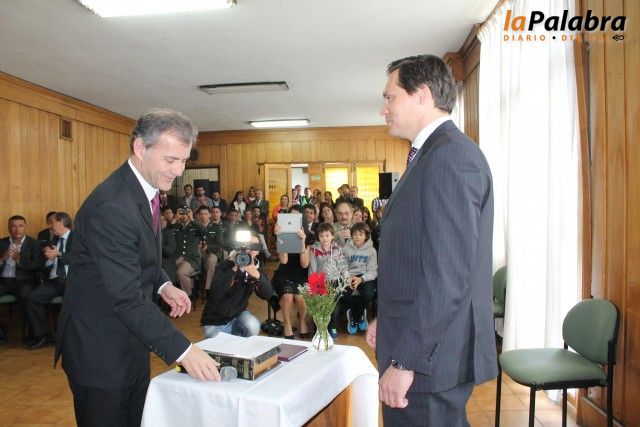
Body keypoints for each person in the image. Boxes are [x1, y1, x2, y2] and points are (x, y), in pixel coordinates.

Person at [56, 109, 221, 427]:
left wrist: (163, 284)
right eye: (170, 159)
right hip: (100, 352)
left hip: (131, 341)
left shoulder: (144, 190)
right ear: (140, 148)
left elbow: (140, 256)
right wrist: (185, 351)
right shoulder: (112, 206)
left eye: (183, 160)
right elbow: (125, 295)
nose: (178, 170)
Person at [366, 55, 496, 426]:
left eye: (390, 97)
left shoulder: (449, 157)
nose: (384, 109)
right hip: (420, 340)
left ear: (421, 94)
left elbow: (448, 277)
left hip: (428, 358)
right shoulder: (432, 154)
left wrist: (406, 360)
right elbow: (417, 257)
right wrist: (388, 319)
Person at [201, 233, 273, 338]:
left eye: (255, 246)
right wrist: (234, 268)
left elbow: (268, 294)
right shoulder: (226, 264)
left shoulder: (256, 269)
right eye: (248, 244)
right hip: (215, 321)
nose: (250, 249)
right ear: (241, 246)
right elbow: (215, 293)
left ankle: (237, 341)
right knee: (218, 346)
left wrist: (257, 276)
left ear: (258, 250)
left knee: (253, 325)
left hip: (237, 315)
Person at [25, 212, 73, 350]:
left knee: (76, 303)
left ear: (62, 222)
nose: (50, 226)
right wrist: (49, 259)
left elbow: (81, 258)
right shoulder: (53, 240)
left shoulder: (78, 238)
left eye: (52, 223)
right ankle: (45, 336)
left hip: (71, 281)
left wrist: (59, 254)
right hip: (54, 281)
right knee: (32, 299)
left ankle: (73, 337)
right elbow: (43, 265)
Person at [0, 215, 42, 343]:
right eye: (13, 226)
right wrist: (2, 258)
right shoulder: (1, 243)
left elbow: (36, 266)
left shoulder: (34, 244)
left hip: (24, 281)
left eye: (20, 226)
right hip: (3, 281)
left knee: (27, 297)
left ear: (25, 227)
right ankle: (1, 333)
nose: (17, 229)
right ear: (9, 228)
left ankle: (33, 334)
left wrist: (20, 259)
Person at [307, 222, 348, 340]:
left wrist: (346, 278)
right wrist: (313, 285)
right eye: (321, 236)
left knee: (334, 306)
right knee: (319, 306)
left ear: (332, 236)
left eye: (327, 235)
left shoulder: (337, 249)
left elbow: (342, 266)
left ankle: (333, 327)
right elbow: (313, 269)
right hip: (319, 281)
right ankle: (319, 329)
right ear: (318, 237)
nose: (324, 238)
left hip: (334, 281)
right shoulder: (314, 250)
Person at [272, 223, 310, 340]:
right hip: (284, 274)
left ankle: (302, 320)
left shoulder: (308, 238)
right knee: (287, 295)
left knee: (299, 297)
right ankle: (287, 323)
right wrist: (280, 237)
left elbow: (304, 265)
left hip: (301, 274)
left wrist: (302, 242)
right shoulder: (282, 236)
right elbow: (283, 261)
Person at [341, 222, 377, 335]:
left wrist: (361, 279)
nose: (357, 237)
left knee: (368, 293)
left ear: (366, 236)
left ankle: (356, 315)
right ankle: (358, 315)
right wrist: (348, 278)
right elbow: (342, 267)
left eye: (360, 234)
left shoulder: (371, 251)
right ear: (351, 235)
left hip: (364, 276)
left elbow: (372, 271)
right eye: (355, 234)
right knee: (342, 293)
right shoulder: (346, 249)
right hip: (349, 275)